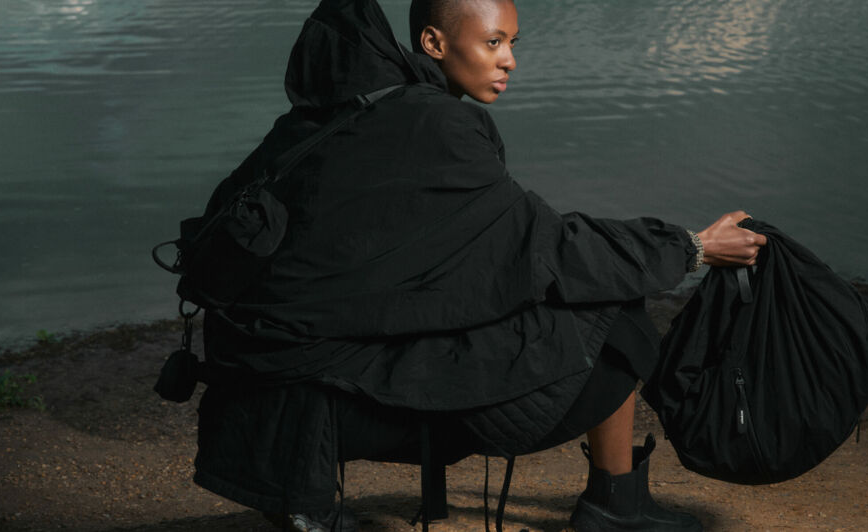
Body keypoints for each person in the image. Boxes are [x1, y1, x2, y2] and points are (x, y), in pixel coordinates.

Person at [189, 0, 766, 531]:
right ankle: (616, 506)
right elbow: (550, 247)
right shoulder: (436, 124)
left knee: (583, 278)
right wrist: (691, 247)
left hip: (253, 364)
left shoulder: (356, 107)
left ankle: (615, 503)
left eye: (512, 42)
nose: (510, 60)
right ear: (435, 43)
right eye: (493, 43)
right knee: (611, 306)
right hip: (302, 381)